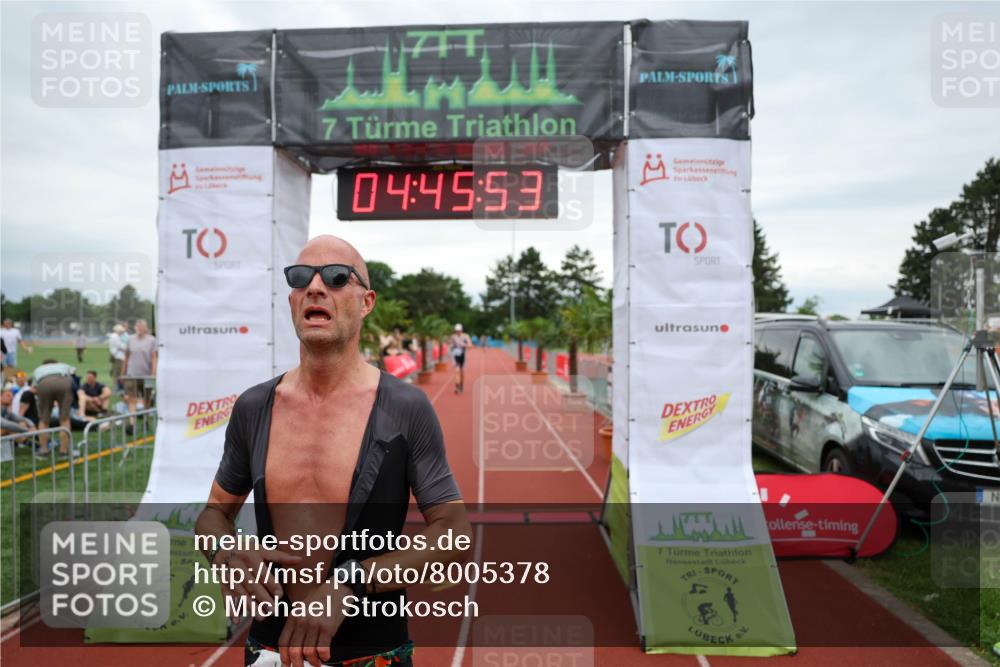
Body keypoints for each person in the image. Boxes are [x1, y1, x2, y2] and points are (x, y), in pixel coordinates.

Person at [195, 235, 470, 667]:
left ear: (367, 302)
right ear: (292, 300)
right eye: (301, 278)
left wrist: (352, 584)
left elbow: (454, 534)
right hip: (271, 650)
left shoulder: (405, 408)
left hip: (371, 651)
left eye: (338, 277)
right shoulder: (254, 407)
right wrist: (225, 551)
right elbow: (213, 513)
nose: (315, 287)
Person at [32, 358, 75, 457]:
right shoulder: (63, 365)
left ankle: (44, 450)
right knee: (64, 419)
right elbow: (74, 373)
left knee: (44, 420)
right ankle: (64, 451)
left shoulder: (38, 369)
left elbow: (34, 387)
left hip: (44, 383)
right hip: (63, 382)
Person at [122, 318, 157, 433]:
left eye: (142, 327)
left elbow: (154, 357)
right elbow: (126, 357)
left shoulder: (151, 340)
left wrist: (153, 373)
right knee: (132, 399)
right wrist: (123, 373)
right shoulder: (130, 339)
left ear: (146, 328)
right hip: (132, 374)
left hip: (145, 374)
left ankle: (145, 420)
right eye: (138, 326)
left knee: (145, 399)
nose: (140, 329)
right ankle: (132, 424)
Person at [449, 323, 471, 394]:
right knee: (457, 370)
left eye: (459, 331)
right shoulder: (453, 337)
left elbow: (470, 346)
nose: (458, 332)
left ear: (461, 330)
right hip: (455, 356)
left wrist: (463, 344)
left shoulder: (466, 336)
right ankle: (457, 387)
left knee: (462, 372)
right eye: (456, 331)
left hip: (463, 355)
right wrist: (452, 346)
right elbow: (450, 345)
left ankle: (461, 385)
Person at [108, 324, 127, 390]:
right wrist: (127, 348)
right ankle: (117, 387)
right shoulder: (115, 336)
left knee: (115, 372)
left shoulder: (114, 336)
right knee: (117, 372)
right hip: (118, 357)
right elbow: (120, 346)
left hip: (116, 356)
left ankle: (116, 386)